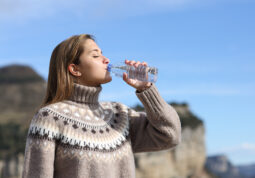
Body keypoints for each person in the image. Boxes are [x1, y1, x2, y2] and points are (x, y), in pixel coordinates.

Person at [22, 34, 182, 178]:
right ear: (75, 69)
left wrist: (146, 89)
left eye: (102, 53)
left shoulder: (119, 114)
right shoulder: (49, 118)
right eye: (95, 55)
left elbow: (170, 136)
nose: (106, 59)